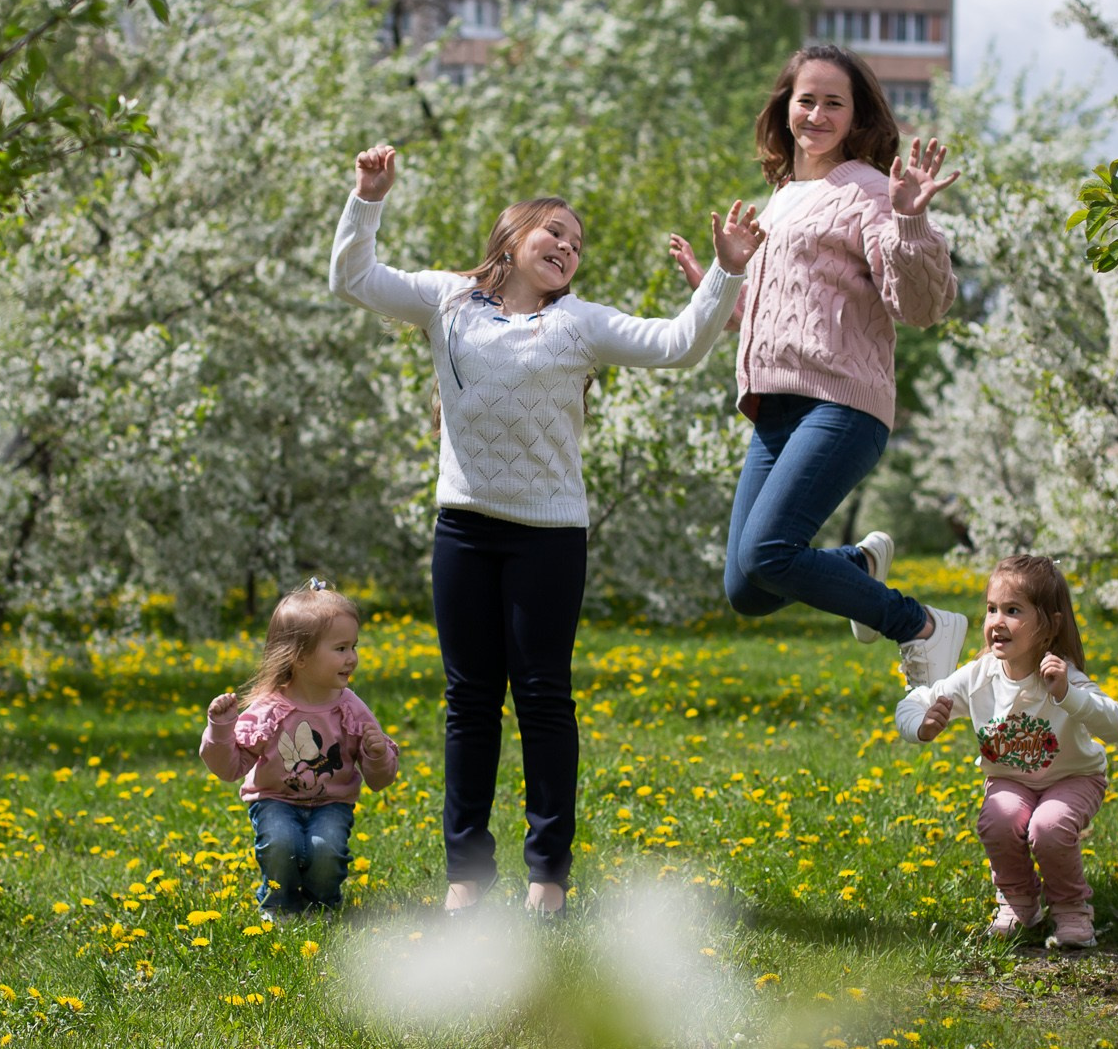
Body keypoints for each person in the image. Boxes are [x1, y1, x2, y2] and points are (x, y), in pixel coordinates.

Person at [329, 142, 747, 915]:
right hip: (464, 529)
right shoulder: (447, 301)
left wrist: (724, 270)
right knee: (469, 701)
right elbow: (351, 277)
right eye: (553, 232)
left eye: (577, 243)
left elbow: (683, 346)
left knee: (544, 699)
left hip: (548, 538)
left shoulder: (581, 325)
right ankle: (466, 875)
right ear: (512, 239)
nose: (566, 246)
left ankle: (546, 879)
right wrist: (369, 196)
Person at [672, 44, 970, 687]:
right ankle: (856, 567)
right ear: (785, 109)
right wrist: (719, 287)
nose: (817, 113)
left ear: (856, 114)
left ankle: (920, 624)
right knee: (747, 587)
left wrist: (912, 221)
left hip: (842, 405)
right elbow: (776, 314)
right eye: (806, 99)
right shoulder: (781, 197)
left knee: (769, 552)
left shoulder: (868, 190)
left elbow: (919, 306)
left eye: (834, 102)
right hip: (775, 409)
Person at [894, 554, 1118, 948]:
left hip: (1074, 777)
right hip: (1010, 780)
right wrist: (920, 727)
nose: (997, 621)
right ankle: (1019, 902)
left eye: (1013, 610)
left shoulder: (1061, 676)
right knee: (999, 821)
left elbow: (1117, 726)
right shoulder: (978, 676)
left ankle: (1072, 910)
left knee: (1049, 826)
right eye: (991, 609)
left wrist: (1069, 696)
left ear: (1050, 625)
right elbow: (914, 700)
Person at [200, 582, 400, 915]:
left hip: (331, 802)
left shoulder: (350, 710)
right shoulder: (270, 709)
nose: (352, 658)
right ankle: (278, 906)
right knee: (280, 843)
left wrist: (377, 755)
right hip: (274, 799)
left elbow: (380, 780)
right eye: (340, 648)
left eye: (354, 646)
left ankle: (322, 905)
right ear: (301, 657)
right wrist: (221, 728)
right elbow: (229, 768)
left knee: (326, 849)